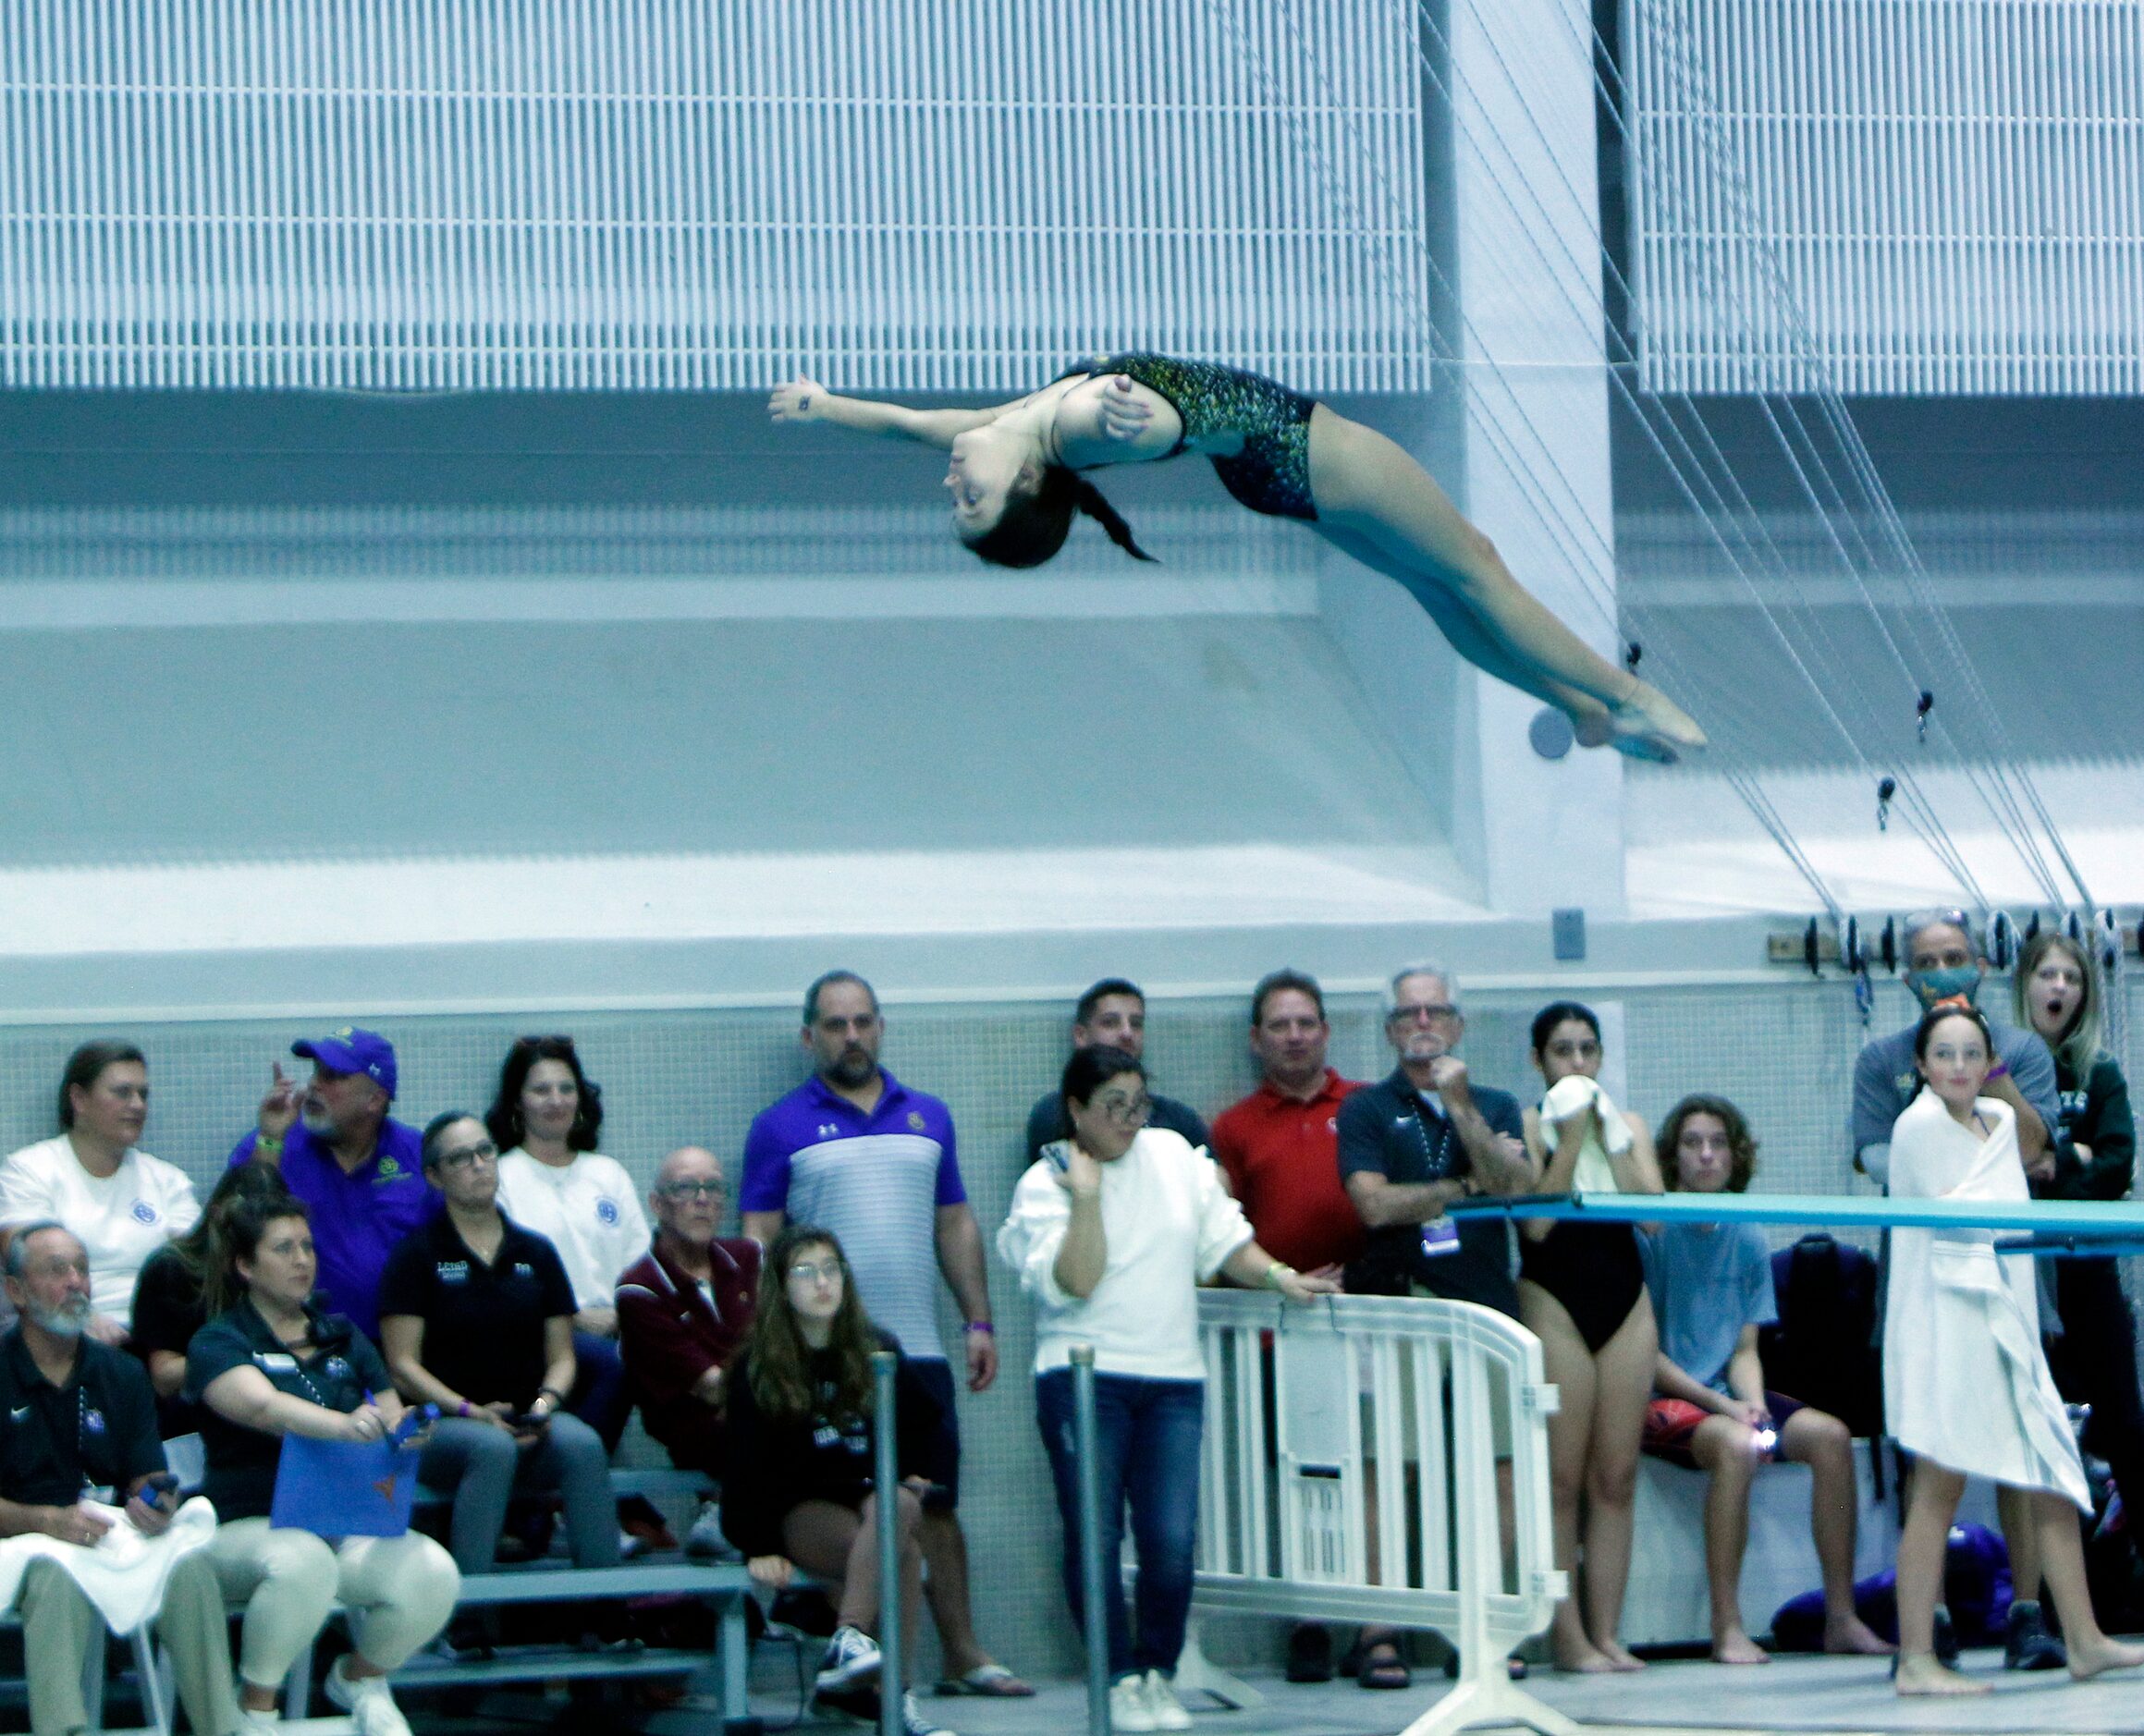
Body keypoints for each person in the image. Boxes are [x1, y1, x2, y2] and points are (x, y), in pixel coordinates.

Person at [768, 359, 1704, 762]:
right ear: (1024, 490)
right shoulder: (1075, 431)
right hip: (1306, 450)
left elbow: (906, 424)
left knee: (1438, 592)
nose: (950, 483)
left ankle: (1579, 706)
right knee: (1477, 568)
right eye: (970, 503)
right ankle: (1627, 697)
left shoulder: (1004, 426)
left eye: (955, 499)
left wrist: (826, 406)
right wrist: (1132, 413)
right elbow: (1131, 421)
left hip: (1270, 478)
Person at [998, 1045, 1337, 1733]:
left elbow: (1225, 1242)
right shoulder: (1047, 1180)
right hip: (1083, 1375)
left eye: (1137, 1104)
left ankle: (1155, 1669)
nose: (1127, 1120)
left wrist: (1279, 1278)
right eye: (1111, 1108)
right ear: (1075, 1111)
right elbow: (1078, 1281)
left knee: (1170, 1539)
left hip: (1172, 1377)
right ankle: (1115, 1675)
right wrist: (1088, 1197)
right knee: (1095, 1535)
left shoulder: (1177, 1157)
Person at [741, 971, 1028, 1698]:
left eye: (863, 1022)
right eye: (835, 1025)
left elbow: (954, 1221)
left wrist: (978, 1319)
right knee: (866, 1512)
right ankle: (873, 1681)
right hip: (821, 1356)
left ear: (881, 1027)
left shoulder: (927, 1116)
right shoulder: (779, 1126)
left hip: (915, 1349)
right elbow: (759, 1240)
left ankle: (962, 1655)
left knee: (931, 1504)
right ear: (809, 1036)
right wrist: (766, 1336)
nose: (852, 1036)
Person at [1883, 1005, 2144, 1696]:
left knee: (2051, 1475)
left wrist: (2003, 1088)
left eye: (1974, 1054)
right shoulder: (1915, 1126)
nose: (1960, 1067)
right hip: (1949, 1329)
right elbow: (1964, 1216)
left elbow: (2037, 1150)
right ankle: (1913, 1659)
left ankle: (2083, 1640)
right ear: (1920, 1065)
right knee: (1937, 1489)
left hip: (2006, 1322)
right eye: (1944, 1054)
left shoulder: (1995, 1120)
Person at [1849, 910, 2066, 1669]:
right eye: (1926, 961)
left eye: (1954, 956)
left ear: (1977, 965)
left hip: (2007, 1280)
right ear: (1907, 978)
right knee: (1930, 1464)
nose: (1941, 969)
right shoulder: (1884, 1066)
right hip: (1927, 1283)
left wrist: (1990, 1070)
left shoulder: (2018, 1057)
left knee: (2028, 1452)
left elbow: (2035, 1147)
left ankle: (2034, 1616)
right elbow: (1880, 1157)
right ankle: (1926, 1628)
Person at [188, 1195, 459, 1736]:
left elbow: (385, 1412)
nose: (302, 1260)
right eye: (283, 1249)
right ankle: (254, 1709)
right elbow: (263, 1407)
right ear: (245, 1266)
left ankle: (359, 1678)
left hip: (343, 1521)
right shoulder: (220, 1340)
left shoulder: (340, 1333)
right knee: (304, 1562)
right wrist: (340, 1425)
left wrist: (405, 1432)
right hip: (247, 1527)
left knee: (433, 1572)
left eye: (307, 1246)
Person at [1335, 964, 1536, 1688]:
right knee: (1388, 1468)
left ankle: (1480, 1622)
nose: (1423, 1023)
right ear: (1390, 1030)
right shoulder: (1364, 1110)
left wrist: (1460, 1109)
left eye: (1436, 1011)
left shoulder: (1494, 1102)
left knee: (1502, 1470)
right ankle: (1377, 1628)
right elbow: (1374, 1207)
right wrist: (1458, 1190)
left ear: (1456, 1024)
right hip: (1399, 1307)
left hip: (1484, 1308)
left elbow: (1514, 1188)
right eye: (1408, 1013)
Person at [1638, 1095, 1892, 1664]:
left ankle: (1841, 1617)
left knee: (1829, 1437)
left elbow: (1746, 1347)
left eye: (1718, 1143)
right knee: (1735, 1448)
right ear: (1672, 1157)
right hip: (1663, 1396)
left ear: (1736, 1156)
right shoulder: (1653, 1231)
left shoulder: (1749, 1231)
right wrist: (1726, 1411)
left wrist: (1750, 1403)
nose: (1706, 1155)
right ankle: (1727, 1625)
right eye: (1692, 1143)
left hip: (1725, 1394)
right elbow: (1647, 1357)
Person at [0, 1223, 246, 1736]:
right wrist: (44, 1520)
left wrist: (155, 1501)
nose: (76, 1283)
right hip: (21, 1541)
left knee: (190, 1564)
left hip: (105, 1535)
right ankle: (65, 1730)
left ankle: (222, 1727)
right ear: (15, 1291)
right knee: (55, 1574)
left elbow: (147, 1474)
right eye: (56, 1271)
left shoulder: (121, 1372)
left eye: (82, 1269)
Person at [722, 1226, 955, 1736]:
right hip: (803, 1509)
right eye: (805, 1272)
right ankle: (896, 1702)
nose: (822, 1283)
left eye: (831, 1269)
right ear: (782, 1287)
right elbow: (742, 1465)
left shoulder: (876, 1349)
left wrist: (920, 1476)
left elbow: (926, 1420)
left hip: (872, 1499)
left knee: (898, 1509)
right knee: (903, 1553)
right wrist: (756, 1544)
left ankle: (850, 1642)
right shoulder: (758, 1365)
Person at [376, 1113, 620, 1598]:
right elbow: (402, 1365)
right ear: (434, 1175)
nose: (478, 1165)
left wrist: (544, 1407)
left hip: (528, 1420)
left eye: (485, 1152)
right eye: (460, 1158)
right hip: (441, 1424)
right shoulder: (416, 1256)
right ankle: (466, 1615)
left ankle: (605, 1611)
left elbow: (563, 1355)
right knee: (490, 1449)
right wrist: (470, 1412)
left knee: (583, 1446)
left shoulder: (536, 1252)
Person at [1207, 969, 1365, 1685]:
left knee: (1374, 1472)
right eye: (1279, 1025)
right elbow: (1219, 1234)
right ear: (1255, 1039)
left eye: (1306, 1023)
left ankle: (1378, 1625)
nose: (1294, 1036)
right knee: (1303, 1475)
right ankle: (1310, 1619)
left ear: (1325, 1032)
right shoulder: (1234, 1127)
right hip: (1280, 1329)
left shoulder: (1365, 1108)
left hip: (1374, 1322)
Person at [1519, 1001, 1663, 1673]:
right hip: (1553, 1298)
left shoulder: (1628, 1124)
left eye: (1585, 1051)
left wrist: (1610, 1137)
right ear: (1538, 1062)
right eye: (1561, 1052)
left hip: (1623, 1298)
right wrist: (1570, 1138)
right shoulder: (1525, 1125)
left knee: (1616, 1476)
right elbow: (1536, 1229)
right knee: (1559, 1480)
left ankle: (1606, 1632)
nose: (1576, 1064)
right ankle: (1565, 1634)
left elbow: (1652, 1219)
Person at [2013, 930, 2144, 1543]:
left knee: (2121, 1418)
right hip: (2022, 1272)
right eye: (2048, 975)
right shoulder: (2000, 1067)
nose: (2059, 987)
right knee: (2034, 1422)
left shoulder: (2099, 1072)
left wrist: (2054, 1162)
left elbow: (2117, 1162)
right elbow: (2002, 1163)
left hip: (2087, 1265)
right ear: (2025, 986)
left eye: (2070, 977)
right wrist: (2075, 1155)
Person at [489, 1036, 651, 1458]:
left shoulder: (607, 1174)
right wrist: (575, 1319)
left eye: (566, 1088)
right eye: (540, 1090)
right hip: (536, 1336)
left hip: (616, 1329)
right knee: (613, 1366)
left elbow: (642, 1266)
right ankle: (561, 1490)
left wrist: (621, 1315)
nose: (555, 1100)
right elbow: (502, 1283)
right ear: (517, 1102)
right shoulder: (501, 1178)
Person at [228, 1026, 436, 1339]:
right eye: (316, 1073)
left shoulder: (419, 1155)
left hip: (400, 1345)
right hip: (296, 1343)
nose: (314, 1085)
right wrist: (270, 1140)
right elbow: (236, 1231)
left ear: (375, 1100)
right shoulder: (272, 1143)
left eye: (333, 1077)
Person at [0, 1042, 200, 1343]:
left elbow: (196, 1266)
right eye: (123, 1092)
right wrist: (85, 1317)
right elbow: (24, 1259)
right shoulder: (30, 1170)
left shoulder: (168, 1180)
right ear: (79, 1099)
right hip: (67, 1330)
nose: (137, 1105)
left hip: (158, 1334)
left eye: (143, 1095)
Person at [617, 1146, 762, 1557]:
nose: (702, 1199)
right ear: (657, 1204)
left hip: (759, 1410)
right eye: (686, 1188)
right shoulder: (639, 1288)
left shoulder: (750, 1258)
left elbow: (785, 1348)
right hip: (698, 1425)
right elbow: (709, 1388)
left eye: (713, 1188)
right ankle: (726, 1514)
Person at [130, 1163, 299, 1428]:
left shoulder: (283, 1267)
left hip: (264, 1416)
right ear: (218, 1213)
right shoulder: (172, 1270)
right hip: (189, 1418)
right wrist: (249, 1360)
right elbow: (164, 1376)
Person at [1024, 978, 1211, 1165]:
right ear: (1081, 1035)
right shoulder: (1056, 1112)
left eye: (1136, 1024)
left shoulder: (1178, 1119)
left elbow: (1214, 1180)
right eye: (1110, 1023)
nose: (1127, 1033)